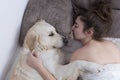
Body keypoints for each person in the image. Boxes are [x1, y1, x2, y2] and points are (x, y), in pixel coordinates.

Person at [27, 0, 120, 80]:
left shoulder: (79, 55)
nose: (72, 28)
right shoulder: (112, 44)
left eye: (76, 26)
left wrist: (38, 66)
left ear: (89, 32)